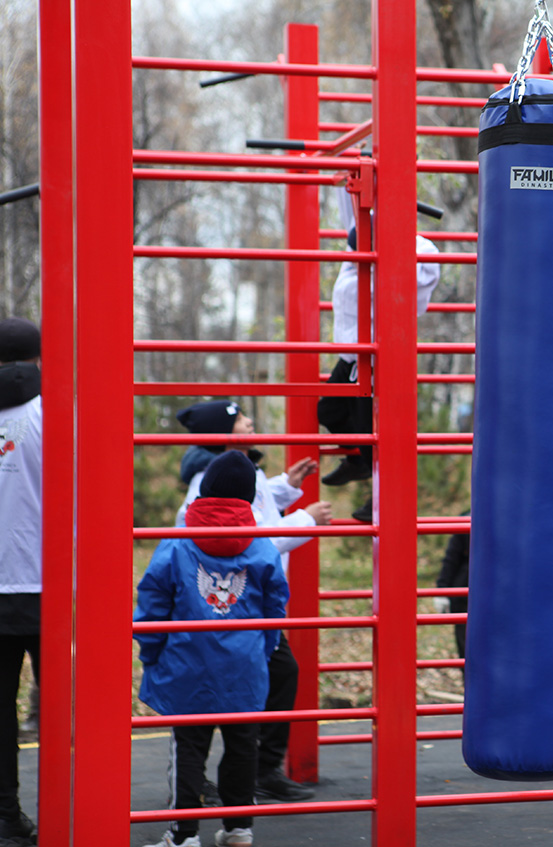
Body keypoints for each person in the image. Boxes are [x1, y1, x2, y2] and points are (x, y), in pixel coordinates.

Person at [175, 400, 328, 805]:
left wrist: (286, 486)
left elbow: (256, 506)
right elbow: (251, 539)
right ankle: (232, 779)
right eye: (241, 420)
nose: (250, 423)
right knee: (241, 689)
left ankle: (251, 773)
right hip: (234, 602)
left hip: (246, 601)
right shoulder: (209, 478)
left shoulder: (240, 470)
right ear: (223, 435)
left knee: (273, 677)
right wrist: (306, 519)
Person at [136, 451, 290, 847]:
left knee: (189, 748)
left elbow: (152, 605)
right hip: (244, 666)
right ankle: (239, 828)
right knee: (243, 745)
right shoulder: (262, 547)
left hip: (187, 665)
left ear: (204, 491)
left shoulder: (177, 543)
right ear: (249, 497)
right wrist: (262, 652)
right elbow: (276, 608)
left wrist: (151, 654)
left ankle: (184, 834)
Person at [317, 189, 441, 523]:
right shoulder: (359, 245)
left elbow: (415, 276)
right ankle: (359, 461)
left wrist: (389, 251)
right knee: (328, 410)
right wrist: (353, 181)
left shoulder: (415, 254)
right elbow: (353, 212)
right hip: (352, 354)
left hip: (378, 354)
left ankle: (382, 497)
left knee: (372, 432)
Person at [0, 318, 42, 847]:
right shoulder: (52, 414)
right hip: (43, 578)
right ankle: (73, 804)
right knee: (62, 704)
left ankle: (7, 817)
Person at [434, 509, 470, 670]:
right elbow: (452, 558)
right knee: (467, 646)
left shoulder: (466, 518)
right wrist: (442, 590)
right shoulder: (466, 519)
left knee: (467, 645)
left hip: (467, 593)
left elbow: (451, 558)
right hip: (466, 595)